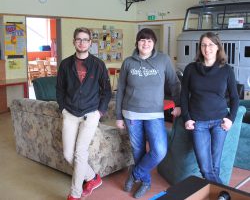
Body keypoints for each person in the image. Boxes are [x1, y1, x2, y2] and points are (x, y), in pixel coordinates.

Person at [116, 28, 181, 198]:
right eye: (142, 40)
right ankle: (145, 181)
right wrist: (118, 116)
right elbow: (121, 89)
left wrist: (179, 104)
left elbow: (174, 84)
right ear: (137, 43)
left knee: (159, 150)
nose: (146, 44)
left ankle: (135, 174)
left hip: (154, 114)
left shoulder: (163, 60)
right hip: (131, 114)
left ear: (154, 44)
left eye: (149, 41)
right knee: (138, 150)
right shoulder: (128, 62)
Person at [56, 27, 112, 200]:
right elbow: (59, 89)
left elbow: (107, 90)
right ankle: (92, 177)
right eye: (78, 39)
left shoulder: (98, 65)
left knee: (80, 153)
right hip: (70, 113)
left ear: (90, 43)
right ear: (74, 42)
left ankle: (75, 194)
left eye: (85, 39)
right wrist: (63, 109)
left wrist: (100, 111)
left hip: (90, 114)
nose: (82, 42)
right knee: (68, 154)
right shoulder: (65, 64)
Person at [181, 32, 239, 184]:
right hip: (198, 123)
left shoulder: (227, 70)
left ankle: (215, 194)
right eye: (204, 45)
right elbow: (183, 95)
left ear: (218, 47)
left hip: (220, 122)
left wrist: (230, 120)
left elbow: (234, 97)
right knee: (206, 168)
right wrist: (186, 118)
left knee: (215, 166)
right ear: (200, 48)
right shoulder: (190, 69)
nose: (207, 48)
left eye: (211, 45)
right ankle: (222, 193)